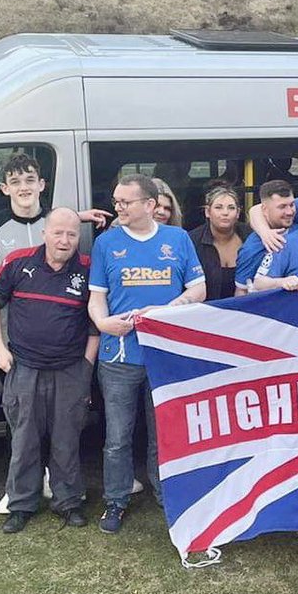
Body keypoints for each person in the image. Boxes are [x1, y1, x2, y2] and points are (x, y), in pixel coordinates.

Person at [88, 173, 206, 534]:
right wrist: (103, 323)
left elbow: (198, 288)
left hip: (164, 355)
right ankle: (116, 500)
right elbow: (97, 298)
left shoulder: (177, 238)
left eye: (126, 202)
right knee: (118, 436)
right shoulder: (106, 243)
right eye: (117, 201)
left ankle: (165, 492)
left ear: (150, 205)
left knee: (164, 433)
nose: (118, 207)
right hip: (119, 356)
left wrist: (171, 308)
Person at [0, 208, 98, 533]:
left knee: (66, 439)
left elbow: (94, 324)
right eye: (58, 233)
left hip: (70, 369)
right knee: (24, 440)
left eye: (71, 234)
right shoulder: (18, 262)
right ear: (45, 233)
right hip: (25, 368)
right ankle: (21, 504)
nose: (64, 240)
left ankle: (69, 502)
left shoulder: (88, 270)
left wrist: (87, 366)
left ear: (78, 237)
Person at [0, 153, 112, 281]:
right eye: (15, 182)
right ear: (5, 188)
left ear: (41, 185)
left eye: (30, 180)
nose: (23, 188)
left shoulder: (57, 223)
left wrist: (76, 216)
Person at [188, 185, 250, 301]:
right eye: (218, 207)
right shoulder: (192, 240)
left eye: (231, 208)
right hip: (205, 312)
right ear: (207, 212)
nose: (225, 213)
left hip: (246, 311)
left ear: (238, 213)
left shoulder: (250, 237)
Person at [235, 180, 296, 295]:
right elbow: (241, 291)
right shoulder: (251, 249)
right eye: (282, 207)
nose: (289, 212)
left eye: (292, 205)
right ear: (264, 209)